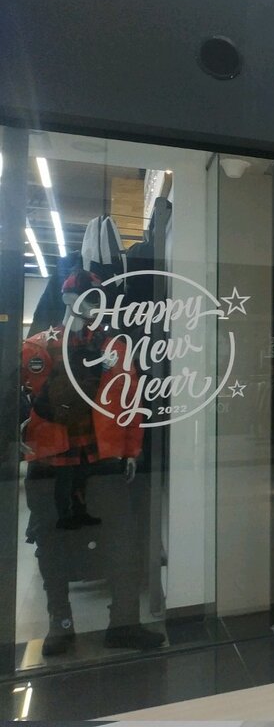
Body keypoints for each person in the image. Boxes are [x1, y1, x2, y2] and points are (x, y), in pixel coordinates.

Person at [22, 270, 165, 655]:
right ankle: (62, 623)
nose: (91, 308)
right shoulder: (38, 347)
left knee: (121, 541)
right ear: (67, 301)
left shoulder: (114, 346)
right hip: (54, 460)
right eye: (85, 299)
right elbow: (33, 404)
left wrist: (131, 450)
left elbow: (129, 401)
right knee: (53, 544)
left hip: (100, 459)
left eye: (95, 300)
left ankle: (121, 623)